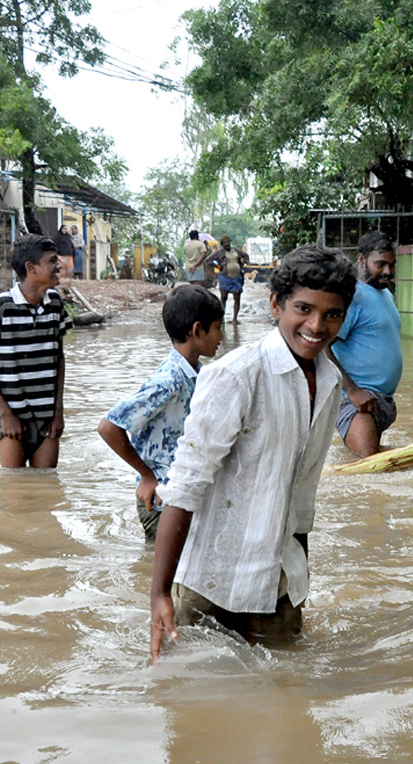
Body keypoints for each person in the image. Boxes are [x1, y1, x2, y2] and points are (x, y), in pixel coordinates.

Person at [148, 245, 357, 661]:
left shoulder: (330, 381)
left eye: (332, 314)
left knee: (285, 696)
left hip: (279, 582)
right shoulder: (237, 375)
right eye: (304, 308)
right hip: (213, 581)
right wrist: (159, 593)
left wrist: (301, 581)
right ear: (276, 304)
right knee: (194, 707)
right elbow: (185, 486)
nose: (317, 325)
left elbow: (301, 498)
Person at [97, 285, 225, 540]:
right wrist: (146, 475)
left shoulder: (194, 372)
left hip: (179, 494)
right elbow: (108, 427)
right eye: (218, 328)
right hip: (161, 500)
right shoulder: (169, 380)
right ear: (198, 330)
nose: (221, 337)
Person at [0, 235, 72, 468]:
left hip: (47, 417)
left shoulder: (55, 303)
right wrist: (5, 414)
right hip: (12, 415)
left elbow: (59, 359)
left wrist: (58, 412)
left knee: (45, 487)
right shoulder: (0, 306)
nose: (60, 265)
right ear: (31, 268)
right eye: (52, 261)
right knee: (14, 490)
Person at [326, 231, 402, 457]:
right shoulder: (353, 297)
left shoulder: (385, 294)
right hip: (357, 404)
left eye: (391, 265)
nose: (388, 271)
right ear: (362, 260)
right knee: (370, 472)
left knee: (375, 466)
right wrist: (353, 390)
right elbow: (323, 346)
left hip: (380, 403)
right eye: (380, 264)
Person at [210, 235, 247, 325]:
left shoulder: (236, 251)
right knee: (223, 297)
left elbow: (245, 256)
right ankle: (222, 318)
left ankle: (235, 319)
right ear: (222, 244)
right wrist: (218, 266)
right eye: (225, 242)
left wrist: (242, 264)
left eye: (228, 242)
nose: (227, 244)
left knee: (237, 297)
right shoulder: (219, 253)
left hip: (236, 277)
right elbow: (208, 260)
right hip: (225, 277)